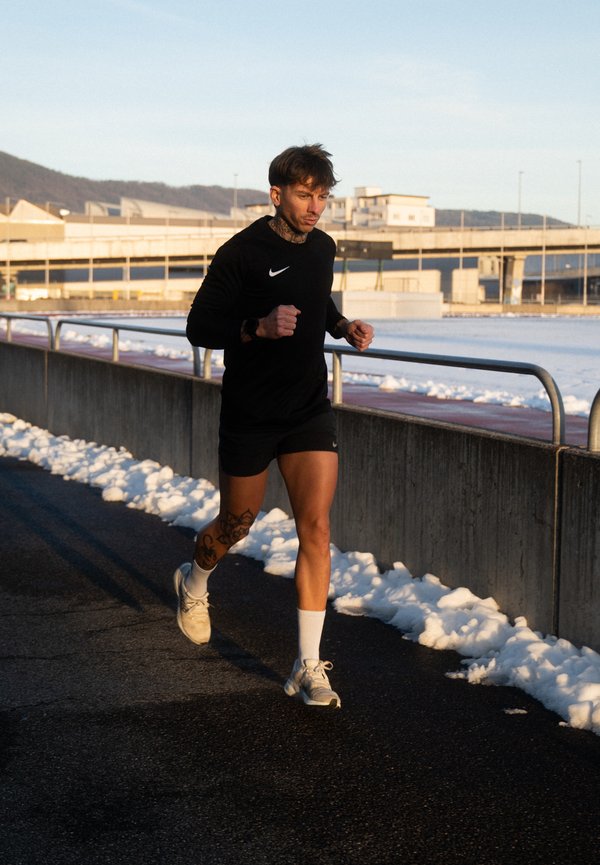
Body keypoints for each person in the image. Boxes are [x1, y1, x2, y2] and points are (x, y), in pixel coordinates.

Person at [174, 144, 374, 708]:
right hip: (251, 412)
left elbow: (316, 297)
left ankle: (308, 666)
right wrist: (257, 327)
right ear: (277, 194)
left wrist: (341, 325)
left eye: (324, 196)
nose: (317, 207)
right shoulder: (239, 253)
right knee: (237, 524)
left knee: (316, 528)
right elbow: (198, 326)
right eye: (307, 195)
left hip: (308, 407)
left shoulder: (324, 247)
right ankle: (194, 580)